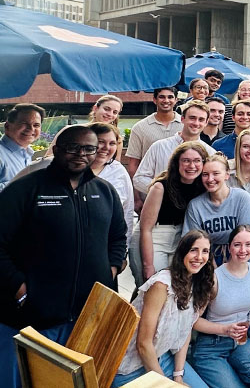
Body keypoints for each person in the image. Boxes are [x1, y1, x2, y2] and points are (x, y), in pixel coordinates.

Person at [0, 125, 128, 388]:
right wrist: (20, 289)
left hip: (86, 317)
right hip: (31, 317)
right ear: (57, 149)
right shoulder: (25, 190)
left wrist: (111, 270)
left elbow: (118, 237)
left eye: (89, 149)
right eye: (73, 147)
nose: (81, 154)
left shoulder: (104, 192)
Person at [111, 230, 214, 387]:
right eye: (193, 250)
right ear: (182, 252)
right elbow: (143, 344)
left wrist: (178, 376)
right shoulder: (161, 286)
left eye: (205, 251)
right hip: (130, 367)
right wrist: (167, 384)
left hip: (162, 358)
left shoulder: (197, 285)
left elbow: (185, 331)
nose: (199, 257)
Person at [189, 225, 250, 387]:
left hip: (240, 342)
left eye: (248, 244)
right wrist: (224, 329)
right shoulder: (215, 278)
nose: (243, 250)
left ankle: (227, 371)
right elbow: (193, 320)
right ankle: (210, 368)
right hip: (212, 344)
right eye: (237, 245)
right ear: (229, 247)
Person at [139, 142, 207, 280]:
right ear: (177, 163)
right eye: (186, 161)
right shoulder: (160, 187)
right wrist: (148, 265)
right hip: (154, 239)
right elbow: (145, 228)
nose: (192, 166)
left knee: (175, 286)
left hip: (180, 240)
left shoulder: (202, 187)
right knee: (153, 284)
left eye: (197, 161)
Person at [184, 154, 250, 264]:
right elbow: (194, 242)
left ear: (227, 175)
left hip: (240, 254)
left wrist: (229, 269)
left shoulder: (242, 198)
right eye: (205, 174)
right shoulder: (195, 205)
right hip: (207, 258)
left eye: (216, 173)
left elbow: (246, 236)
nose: (210, 179)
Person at [134, 100, 216, 195]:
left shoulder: (210, 153)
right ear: (182, 119)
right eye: (192, 118)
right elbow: (139, 179)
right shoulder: (159, 146)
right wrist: (163, 191)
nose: (196, 123)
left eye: (201, 119)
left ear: (206, 122)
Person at [90, 122, 135, 251]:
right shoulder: (73, 170)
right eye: (101, 142)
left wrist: (122, 251)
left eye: (112, 143)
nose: (106, 148)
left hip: (107, 248)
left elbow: (127, 212)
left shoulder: (119, 171)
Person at [126, 87, 182, 181]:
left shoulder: (185, 125)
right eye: (162, 97)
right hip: (148, 185)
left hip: (180, 184)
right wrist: (136, 190)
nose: (166, 100)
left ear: (176, 100)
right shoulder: (140, 127)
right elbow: (134, 163)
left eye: (170, 97)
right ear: (154, 100)